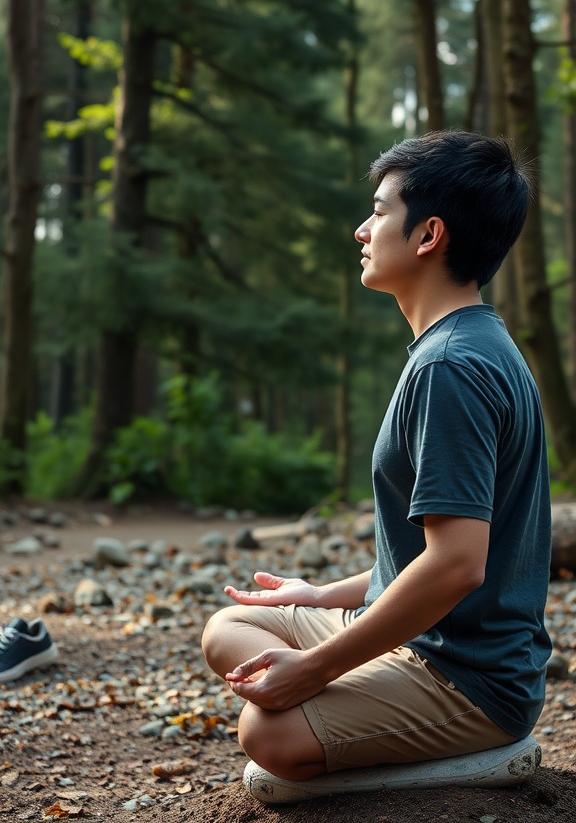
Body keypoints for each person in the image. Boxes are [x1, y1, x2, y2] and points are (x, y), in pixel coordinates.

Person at [202, 130, 551, 798]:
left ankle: (482, 759)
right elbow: (438, 549)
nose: (363, 229)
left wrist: (311, 673)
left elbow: (457, 564)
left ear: (429, 236)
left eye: (380, 210)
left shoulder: (452, 367)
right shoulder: (466, 343)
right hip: (426, 641)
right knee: (229, 629)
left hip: (468, 677)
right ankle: (363, 686)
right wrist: (321, 596)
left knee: (267, 736)